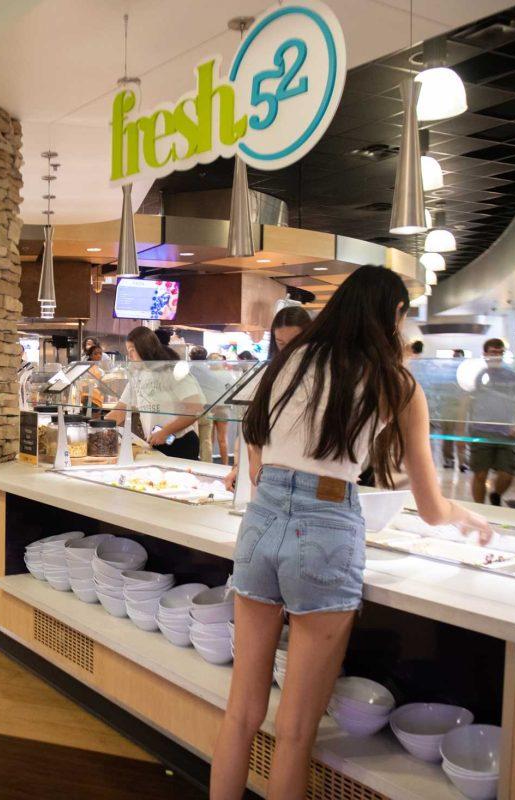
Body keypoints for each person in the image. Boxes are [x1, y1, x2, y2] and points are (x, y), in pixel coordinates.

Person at [210, 266, 491, 800]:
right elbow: (431, 508)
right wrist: (466, 516)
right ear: (394, 318)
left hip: (261, 518)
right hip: (326, 527)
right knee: (294, 732)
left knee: (241, 713)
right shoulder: (396, 383)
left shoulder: (291, 361)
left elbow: (259, 446)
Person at [224, 307, 313, 489]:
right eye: (280, 342)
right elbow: (252, 423)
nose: (288, 350)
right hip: (269, 476)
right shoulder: (269, 373)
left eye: (295, 342)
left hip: (306, 476)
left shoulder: (321, 375)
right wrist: (239, 467)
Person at [106, 326, 203, 459]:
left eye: (132, 350)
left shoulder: (172, 370)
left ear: (144, 348)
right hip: (155, 444)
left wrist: (165, 432)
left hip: (180, 442)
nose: (129, 356)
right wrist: (96, 428)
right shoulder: (136, 376)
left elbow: (195, 409)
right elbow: (120, 411)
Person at [468, 338, 515, 506]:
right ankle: (479, 509)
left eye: (499, 353)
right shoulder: (476, 375)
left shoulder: (511, 376)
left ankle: (496, 494)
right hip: (481, 430)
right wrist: (461, 430)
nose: (496, 356)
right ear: (485, 354)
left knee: (507, 473)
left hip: (506, 432)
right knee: (480, 474)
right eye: (492, 352)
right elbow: (465, 401)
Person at [189, 346, 229, 465]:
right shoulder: (211, 373)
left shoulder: (189, 372)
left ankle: (194, 465)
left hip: (193, 410)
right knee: (209, 441)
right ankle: (214, 465)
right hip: (212, 408)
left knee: (196, 439)